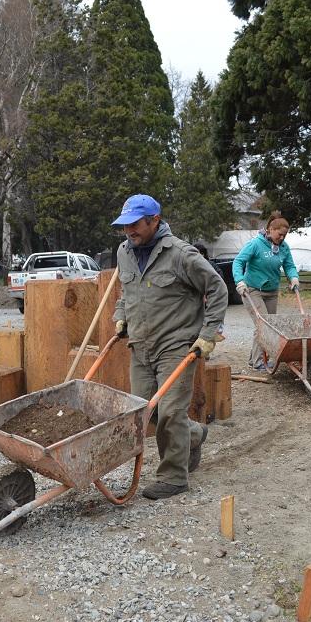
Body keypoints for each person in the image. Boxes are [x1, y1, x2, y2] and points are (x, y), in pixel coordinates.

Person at [112, 194, 228, 500]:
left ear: (155, 221)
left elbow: (217, 287)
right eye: (125, 226)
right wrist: (121, 317)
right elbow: (127, 291)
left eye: (135, 224)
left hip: (176, 345)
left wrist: (209, 333)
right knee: (143, 410)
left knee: (170, 412)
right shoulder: (125, 252)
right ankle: (194, 433)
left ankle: (174, 476)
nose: (129, 231)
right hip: (140, 345)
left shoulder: (180, 254)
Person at [232, 212, 300, 370]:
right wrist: (239, 281)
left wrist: (294, 277)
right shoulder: (255, 244)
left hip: (271, 292)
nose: (282, 238)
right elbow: (238, 261)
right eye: (280, 234)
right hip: (252, 290)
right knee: (263, 325)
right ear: (270, 229)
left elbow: (289, 265)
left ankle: (253, 358)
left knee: (269, 325)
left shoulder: (283, 247)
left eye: (285, 235)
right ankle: (258, 362)